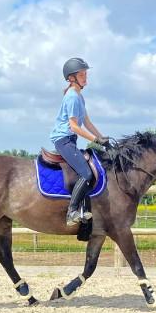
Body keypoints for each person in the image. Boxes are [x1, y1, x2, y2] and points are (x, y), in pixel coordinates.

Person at [50, 57, 109, 226]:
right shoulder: (72, 97)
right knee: (86, 173)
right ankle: (72, 212)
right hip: (63, 140)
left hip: (70, 140)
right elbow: (75, 127)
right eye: (82, 74)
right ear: (71, 78)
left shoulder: (79, 97)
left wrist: (102, 137)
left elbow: (87, 122)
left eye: (85, 74)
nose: (85, 77)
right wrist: (96, 141)